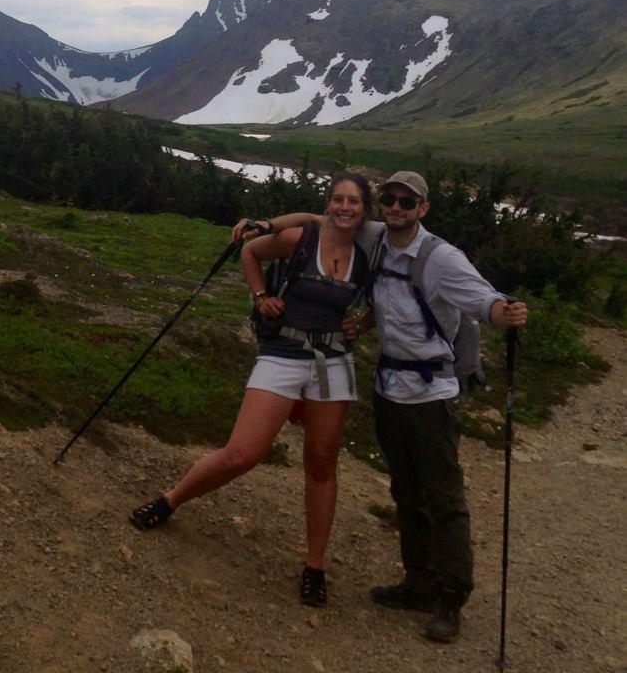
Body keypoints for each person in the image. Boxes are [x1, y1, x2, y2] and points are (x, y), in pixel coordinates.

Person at [241, 170, 528, 644]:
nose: (397, 208)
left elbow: (483, 299)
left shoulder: (441, 258)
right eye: (391, 200)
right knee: (406, 492)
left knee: (444, 498)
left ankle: (450, 598)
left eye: (407, 201)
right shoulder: (376, 234)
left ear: (423, 208)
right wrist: (264, 224)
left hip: (431, 393)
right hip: (389, 387)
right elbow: (319, 217)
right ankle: (418, 583)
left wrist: (504, 312)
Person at [129, 171, 374, 608]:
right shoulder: (303, 236)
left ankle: (315, 566)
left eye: (353, 201)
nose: (344, 207)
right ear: (327, 203)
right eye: (337, 198)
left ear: (365, 209)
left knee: (321, 463)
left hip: (334, 361)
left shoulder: (368, 251)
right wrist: (261, 297)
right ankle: (170, 500)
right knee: (242, 453)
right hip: (282, 352)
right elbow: (250, 252)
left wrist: (363, 323)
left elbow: (384, 297)